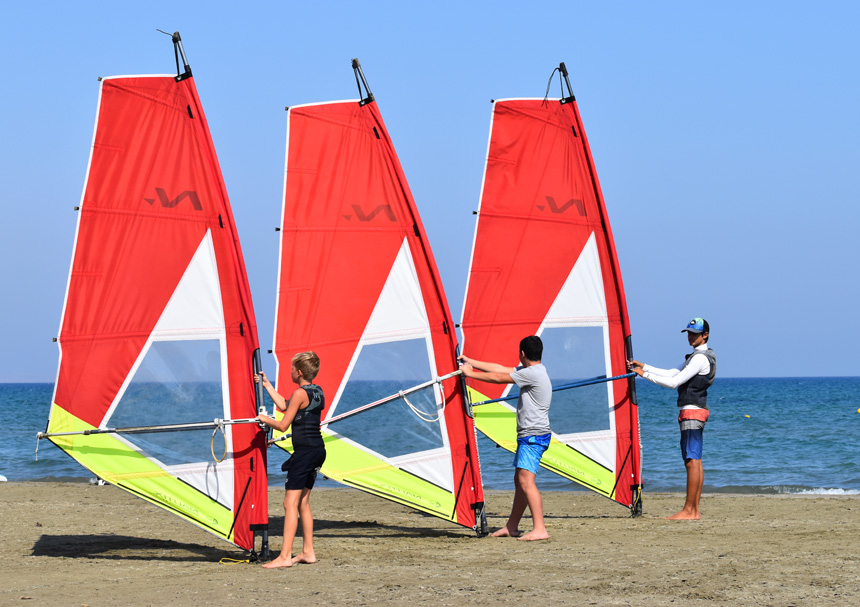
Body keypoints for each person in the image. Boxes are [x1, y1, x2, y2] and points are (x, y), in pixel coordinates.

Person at [458, 335, 551, 541]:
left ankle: (540, 529)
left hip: (533, 437)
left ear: (522, 354)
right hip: (530, 436)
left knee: (527, 482)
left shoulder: (532, 374)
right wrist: (471, 363)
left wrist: (471, 374)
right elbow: (500, 368)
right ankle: (512, 526)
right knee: (519, 481)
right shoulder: (534, 371)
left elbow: (500, 378)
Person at [628, 318, 716, 520]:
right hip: (696, 410)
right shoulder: (696, 357)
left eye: (694, 333)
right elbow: (673, 372)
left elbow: (674, 382)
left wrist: (643, 375)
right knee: (696, 461)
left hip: (692, 411)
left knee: (691, 461)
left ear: (705, 335)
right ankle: (693, 510)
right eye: (689, 333)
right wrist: (645, 366)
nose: (690, 336)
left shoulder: (700, 359)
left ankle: (689, 510)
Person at [255, 351, 326, 568]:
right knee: (303, 502)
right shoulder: (316, 391)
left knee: (290, 503)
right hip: (317, 450)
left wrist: (264, 419)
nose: (290, 371)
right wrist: (267, 386)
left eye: (292, 368)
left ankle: (285, 557)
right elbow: (286, 406)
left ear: (300, 372)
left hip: (304, 453)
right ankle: (308, 552)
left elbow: (283, 424)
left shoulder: (299, 393)